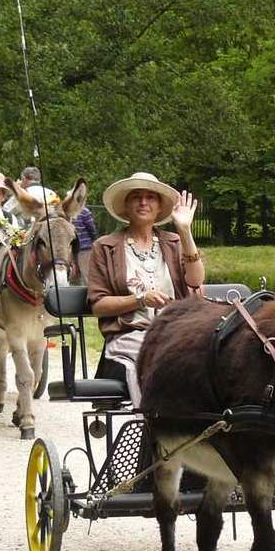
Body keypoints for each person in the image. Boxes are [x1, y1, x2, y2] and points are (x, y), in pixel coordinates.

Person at [86, 172, 202, 406]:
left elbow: (196, 280)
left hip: (175, 333)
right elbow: (98, 306)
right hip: (129, 335)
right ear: (125, 206)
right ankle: (151, 425)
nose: (143, 202)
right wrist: (140, 299)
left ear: (160, 208)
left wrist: (185, 231)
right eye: (136, 196)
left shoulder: (174, 243)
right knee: (161, 357)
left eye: (151, 197)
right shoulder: (105, 247)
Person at [71, 200, 98, 285]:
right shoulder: (84, 211)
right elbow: (92, 228)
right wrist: (94, 240)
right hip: (85, 248)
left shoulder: (67, 212)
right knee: (87, 276)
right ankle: (88, 296)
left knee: (75, 277)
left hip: (71, 249)